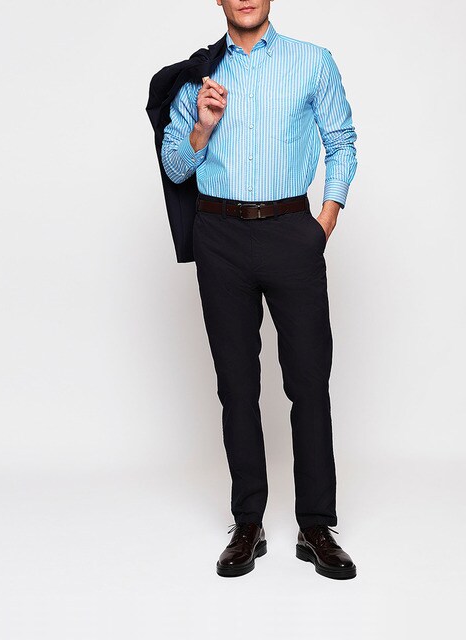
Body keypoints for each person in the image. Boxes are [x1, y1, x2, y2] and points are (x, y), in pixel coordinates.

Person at [161, 0, 358, 580]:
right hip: (219, 235)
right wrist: (202, 126)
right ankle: (247, 522)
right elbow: (175, 167)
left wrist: (323, 222)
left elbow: (342, 141)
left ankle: (316, 525)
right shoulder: (198, 75)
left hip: (291, 230)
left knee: (309, 381)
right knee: (237, 386)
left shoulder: (312, 61)